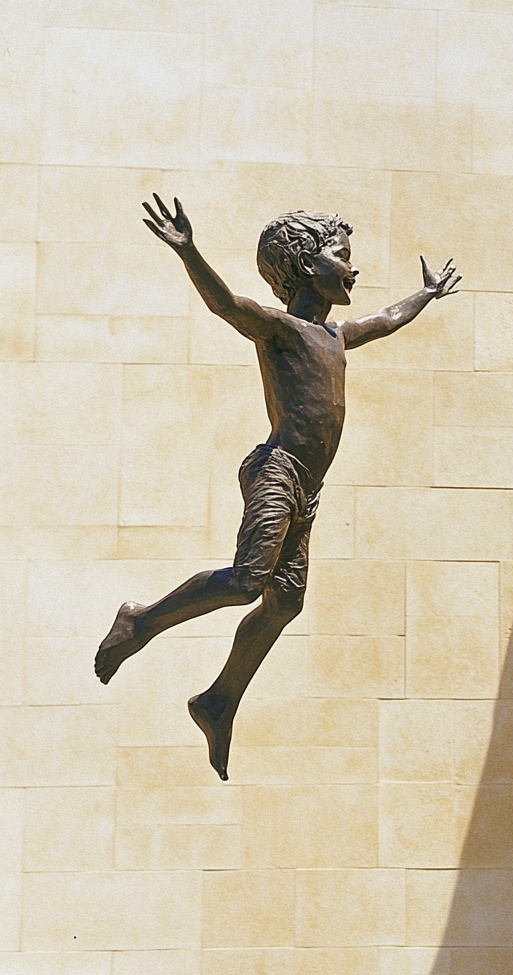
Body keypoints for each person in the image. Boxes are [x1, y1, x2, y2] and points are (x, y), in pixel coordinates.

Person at [95, 194, 460, 779]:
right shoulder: (280, 330)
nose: (354, 268)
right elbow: (226, 304)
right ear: (306, 264)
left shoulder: (337, 335)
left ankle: (217, 701)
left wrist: (427, 293)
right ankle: (141, 620)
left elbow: (387, 320)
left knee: (284, 600)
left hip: (307, 487)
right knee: (246, 583)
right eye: (343, 256)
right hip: (279, 469)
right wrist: (190, 252)